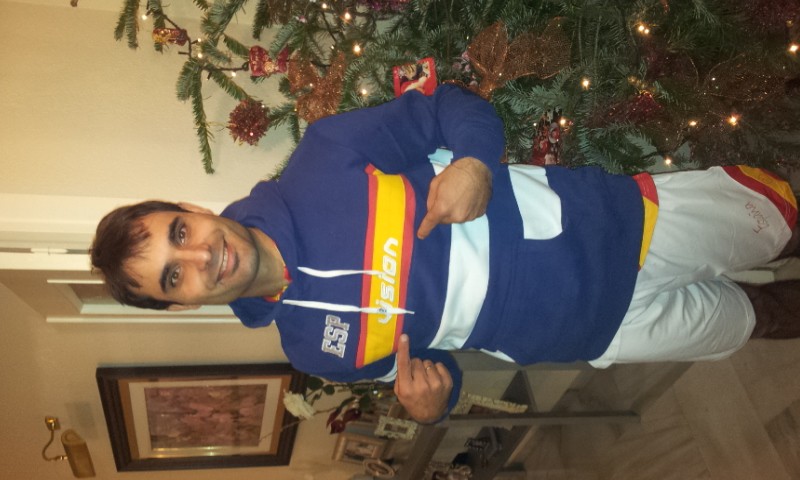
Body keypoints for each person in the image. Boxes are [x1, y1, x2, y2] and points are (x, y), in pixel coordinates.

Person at [90, 85, 799, 424]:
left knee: (778, 221)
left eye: (178, 232)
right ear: (179, 304)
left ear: (190, 209)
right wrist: (430, 404)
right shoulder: (312, 349)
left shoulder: (324, 158)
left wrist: (474, 163)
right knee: (756, 319)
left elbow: (449, 108)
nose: (199, 257)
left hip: (614, 226)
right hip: (597, 333)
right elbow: (439, 373)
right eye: (173, 278)